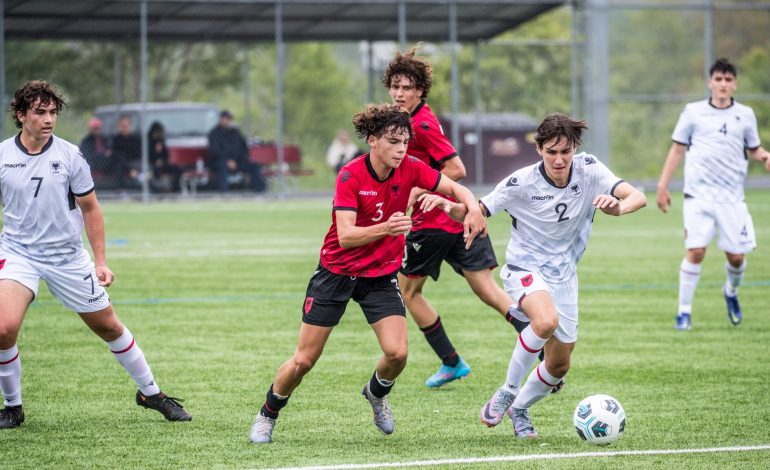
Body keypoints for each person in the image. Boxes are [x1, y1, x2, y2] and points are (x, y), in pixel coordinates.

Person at [248, 103, 486, 444]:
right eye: (393, 141)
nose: (401, 149)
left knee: (397, 354)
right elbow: (346, 236)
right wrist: (387, 228)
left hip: (380, 276)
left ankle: (375, 393)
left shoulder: (411, 167)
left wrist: (473, 208)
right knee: (304, 360)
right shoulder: (350, 175)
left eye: (405, 142)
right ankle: (267, 414)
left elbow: (456, 188)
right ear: (372, 140)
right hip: (336, 272)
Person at [421, 113, 646, 438]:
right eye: (551, 152)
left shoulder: (590, 169)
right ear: (539, 149)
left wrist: (618, 207)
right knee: (544, 321)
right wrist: (446, 206)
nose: (559, 160)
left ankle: (520, 408)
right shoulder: (521, 182)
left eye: (566, 151)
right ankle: (508, 391)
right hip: (525, 268)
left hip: (564, 276)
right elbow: (475, 211)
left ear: (575, 149)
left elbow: (637, 196)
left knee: (559, 365)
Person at [0, 80, 191, 429]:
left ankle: (151, 393)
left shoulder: (70, 155)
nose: (48, 119)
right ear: (21, 115)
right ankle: (13, 406)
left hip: (67, 257)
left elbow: (91, 209)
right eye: (40, 112)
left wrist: (100, 261)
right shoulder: (2, 156)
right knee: (3, 328)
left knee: (109, 327)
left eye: (53, 112)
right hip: (18, 253)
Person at [384, 46, 533, 389]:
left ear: (421, 90)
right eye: (395, 86)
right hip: (461, 218)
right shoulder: (412, 119)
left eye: (407, 87)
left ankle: (451, 362)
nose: (399, 93)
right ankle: (535, 339)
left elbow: (456, 168)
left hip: (434, 223)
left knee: (407, 293)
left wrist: (420, 190)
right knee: (487, 289)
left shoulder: (420, 123)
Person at [657, 58, 770, 331]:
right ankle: (683, 313)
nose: (723, 84)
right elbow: (677, 149)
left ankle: (731, 291)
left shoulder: (745, 115)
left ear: (734, 84)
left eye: (728, 79)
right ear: (710, 82)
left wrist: (765, 156)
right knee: (696, 251)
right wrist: (662, 186)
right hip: (698, 196)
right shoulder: (693, 112)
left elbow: (753, 149)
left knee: (736, 258)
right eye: (718, 79)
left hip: (732, 198)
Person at [207, 110, 266, 193]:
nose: (226, 121)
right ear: (220, 119)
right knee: (222, 167)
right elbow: (214, 151)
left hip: (237, 161)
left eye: (228, 119)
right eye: (225, 118)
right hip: (220, 162)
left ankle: (260, 191)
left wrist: (240, 160)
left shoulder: (235, 132)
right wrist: (228, 161)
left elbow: (243, 148)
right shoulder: (213, 134)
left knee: (254, 166)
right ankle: (224, 192)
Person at [147, 121, 181, 193]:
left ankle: (175, 189)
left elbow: (166, 155)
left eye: (159, 133)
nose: (157, 135)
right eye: (156, 133)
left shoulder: (161, 142)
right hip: (152, 164)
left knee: (177, 170)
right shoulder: (148, 142)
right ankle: (158, 190)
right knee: (156, 170)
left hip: (163, 163)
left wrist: (162, 160)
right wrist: (155, 152)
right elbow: (147, 156)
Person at [110, 114, 142, 190]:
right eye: (122, 125)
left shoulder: (136, 139)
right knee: (119, 163)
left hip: (134, 161)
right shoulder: (116, 139)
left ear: (130, 125)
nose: (124, 127)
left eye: (126, 125)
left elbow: (138, 154)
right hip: (121, 162)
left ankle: (141, 188)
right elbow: (115, 154)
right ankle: (122, 190)